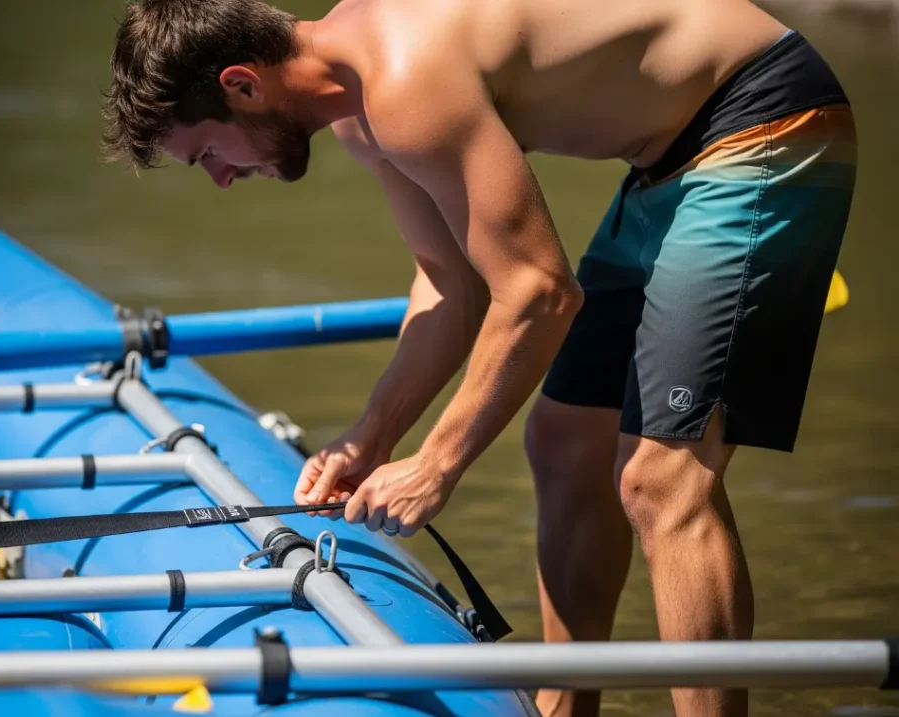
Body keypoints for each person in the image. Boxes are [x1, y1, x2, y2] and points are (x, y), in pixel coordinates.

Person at [101, 1, 858, 714]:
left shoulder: (403, 77)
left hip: (766, 118)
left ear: (243, 84)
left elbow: (538, 293)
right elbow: (450, 287)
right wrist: (370, 436)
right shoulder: (364, 111)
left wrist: (438, 463)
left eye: (206, 152)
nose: (222, 178)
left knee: (661, 480)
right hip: (668, 164)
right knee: (562, 442)